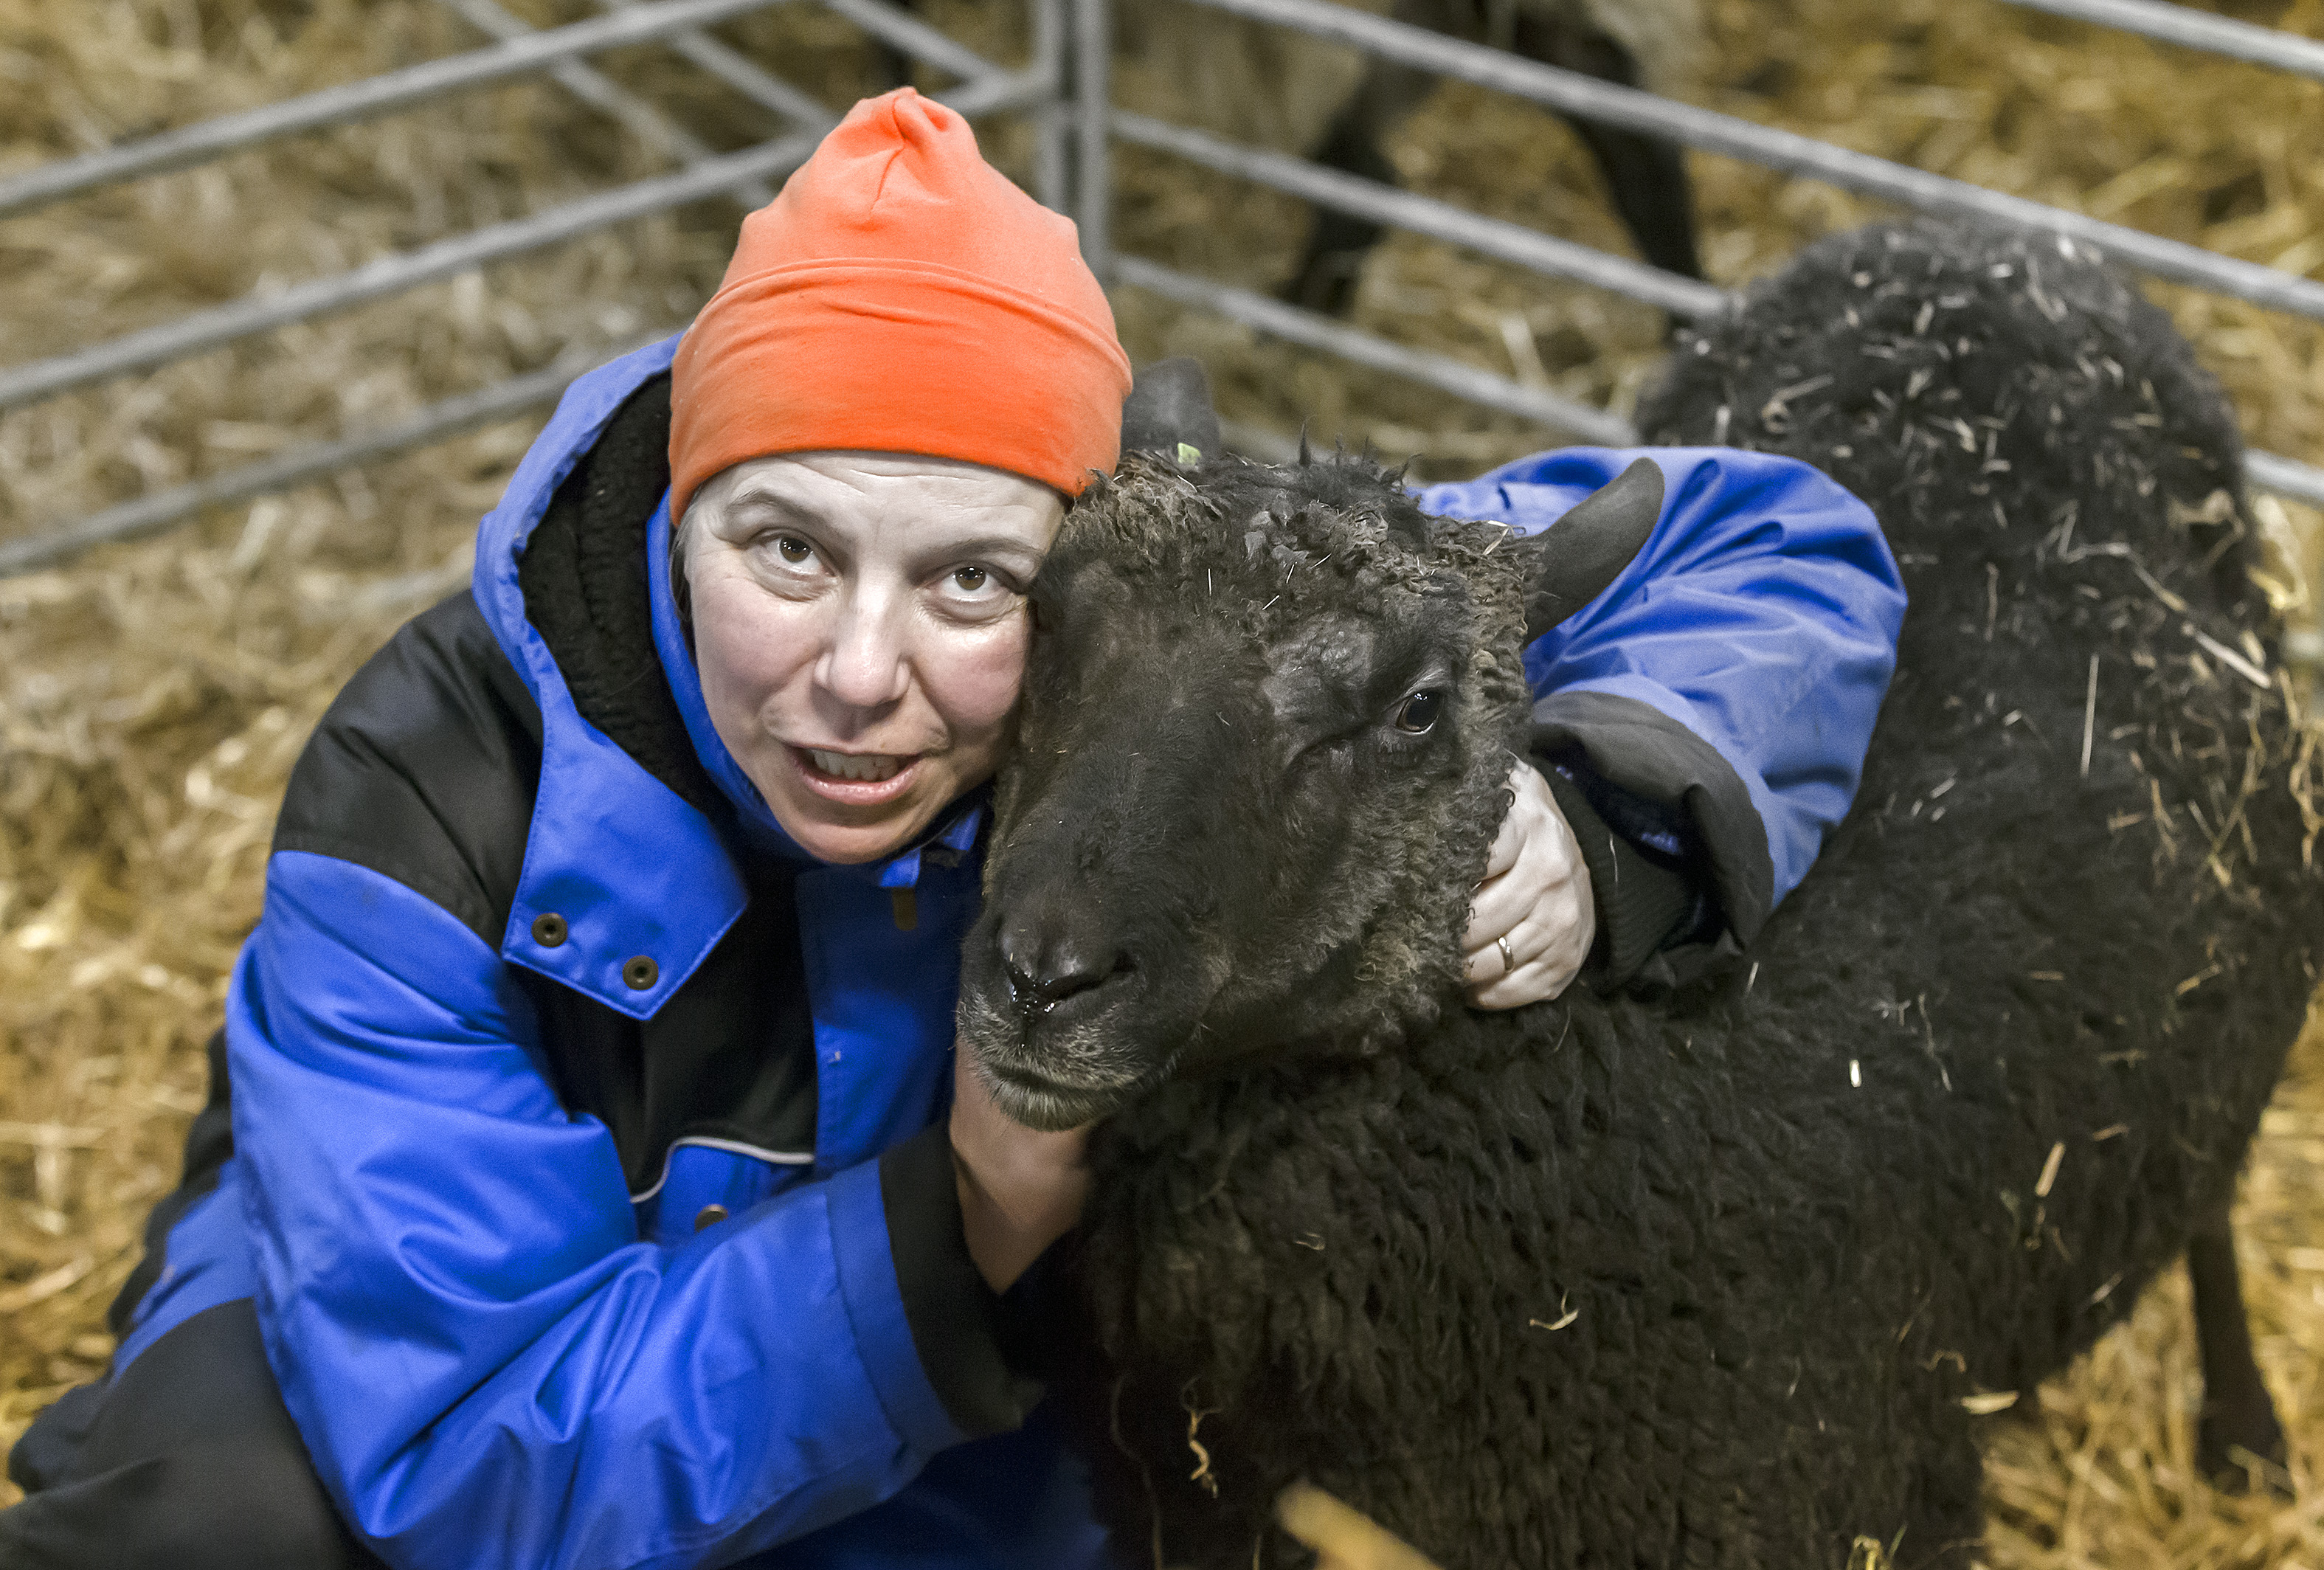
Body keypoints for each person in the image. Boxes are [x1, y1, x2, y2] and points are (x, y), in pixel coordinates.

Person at [0, 88, 1903, 1569]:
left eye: (974, 581)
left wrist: (1601, 808)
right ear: (685, 510)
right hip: (476, 1368)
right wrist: (970, 1210)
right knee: (214, 1534)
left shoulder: (1142, 628)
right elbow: (465, 1454)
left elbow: (1766, 537)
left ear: (1096, 573)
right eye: (786, 547)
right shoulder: (430, 793)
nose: (857, 671)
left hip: (905, 1387)